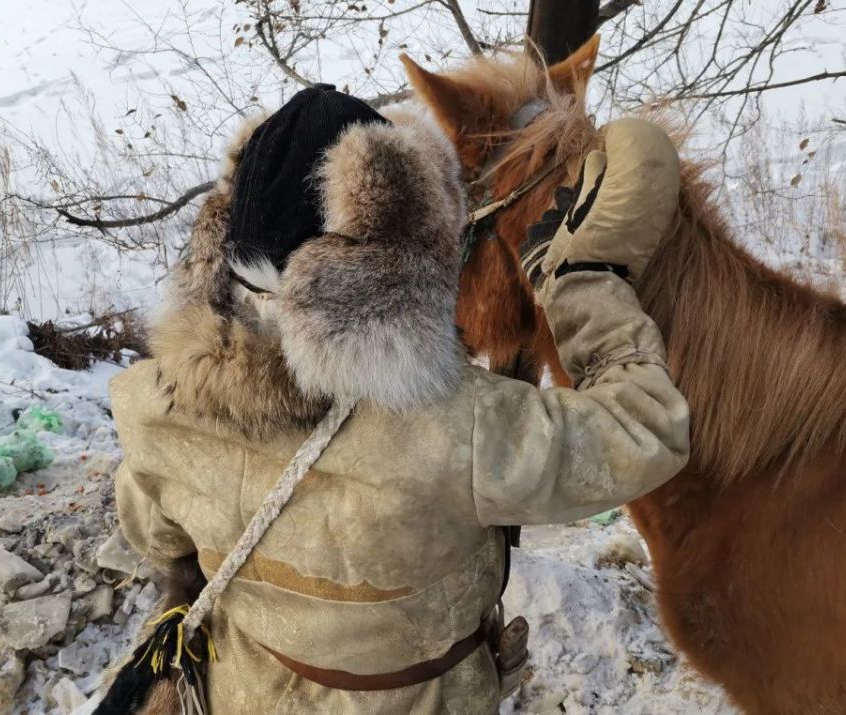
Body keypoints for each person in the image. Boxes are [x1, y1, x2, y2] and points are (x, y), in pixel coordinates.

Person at [104, 84, 688, 714]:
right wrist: (586, 282)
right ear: (403, 263)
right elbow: (645, 431)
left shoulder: (151, 405)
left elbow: (155, 533)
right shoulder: (460, 428)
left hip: (246, 689)